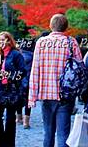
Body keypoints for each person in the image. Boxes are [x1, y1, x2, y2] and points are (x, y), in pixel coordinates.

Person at [28, 14, 82, 147]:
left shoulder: (41, 42)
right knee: (63, 134)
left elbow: (35, 70)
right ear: (66, 27)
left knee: (48, 133)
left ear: (51, 26)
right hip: (66, 94)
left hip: (46, 93)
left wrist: (32, 97)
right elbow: (80, 68)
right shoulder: (71, 42)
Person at [0, 31, 27, 147]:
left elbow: (23, 72)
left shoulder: (16, 54)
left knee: (10, 118)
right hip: (2, 89)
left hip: (13, 89)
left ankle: (9, 144)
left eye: (3, 40)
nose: (1, 42)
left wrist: (9, 75)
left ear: (9, 41)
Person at [15, 38, 34, 129]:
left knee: (18, 99)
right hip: (29, 81)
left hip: (18, 80)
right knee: (28, 101)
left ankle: (18, 118)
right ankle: (26, 122)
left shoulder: (18, 55)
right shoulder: (33, 56)